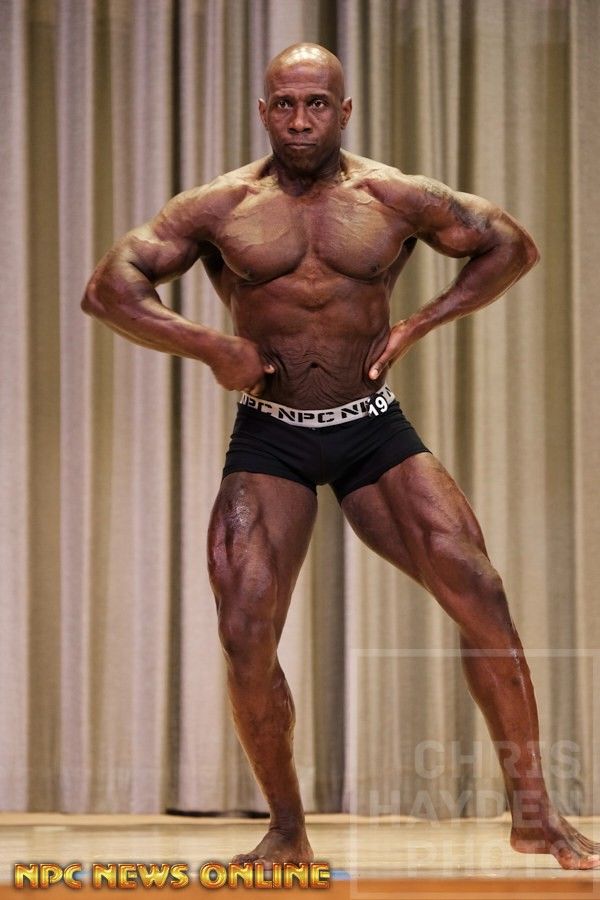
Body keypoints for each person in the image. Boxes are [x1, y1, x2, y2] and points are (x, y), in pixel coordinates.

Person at [82, 43, 599, 871]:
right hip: (271, 433)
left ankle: (535, 816)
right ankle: (287, 831)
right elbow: (110, 287)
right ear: (263, 111)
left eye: (316, 104)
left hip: (371, 430)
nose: (300, 120)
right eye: (285, 104)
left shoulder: (391, 195)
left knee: (481, 593)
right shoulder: (219, 206)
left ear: (344, 110)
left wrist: (419, 323)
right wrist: (210, 346)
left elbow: (511, 245)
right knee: (244, 630)